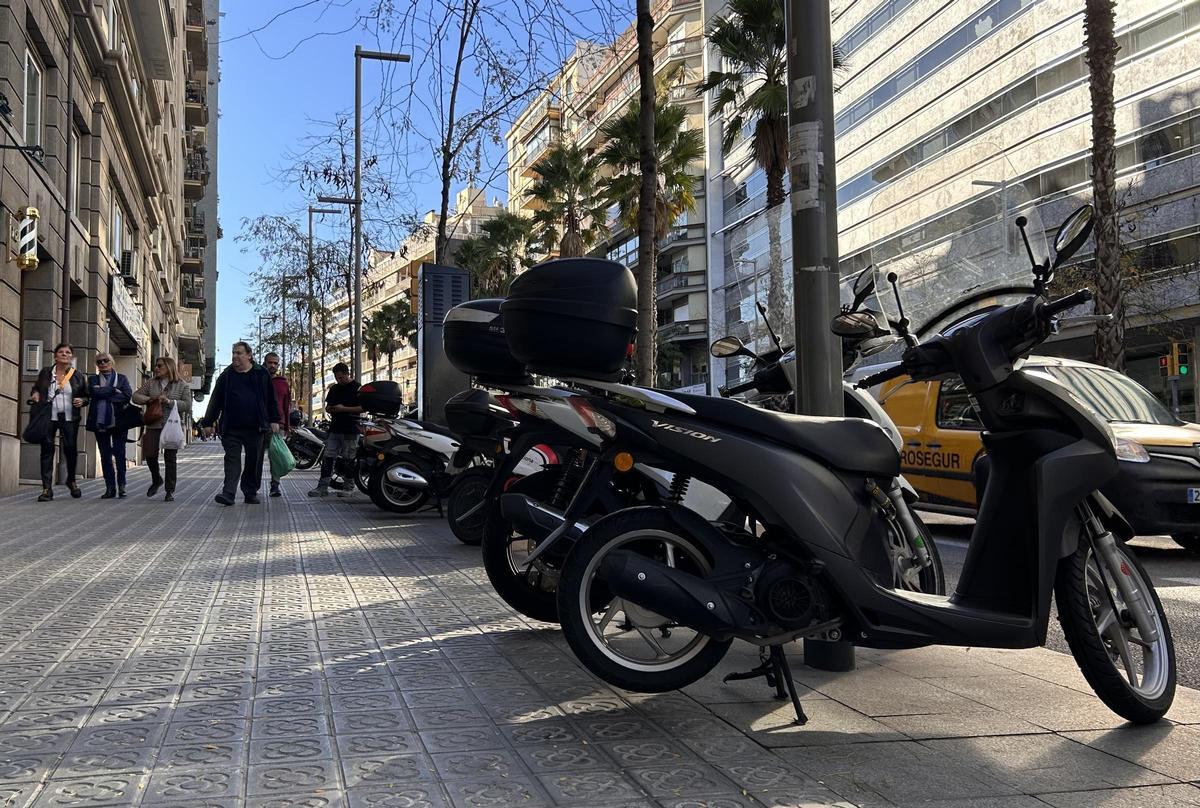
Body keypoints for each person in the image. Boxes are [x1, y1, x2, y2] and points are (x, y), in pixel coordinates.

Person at [200, 342, 281, 505]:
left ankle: (250, 492)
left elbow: (270, 399)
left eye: (239, 353)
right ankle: (228, 493)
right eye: (233, 353)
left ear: (249, 355)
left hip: (256, 427)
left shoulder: (261, 373)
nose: (235, 356)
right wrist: (208, 422)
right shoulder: (227, 374)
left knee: (254, 460)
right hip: (231, 428)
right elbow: (216, 399)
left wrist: (274, 419)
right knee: (232, 460)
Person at [29, 343, 89, 501]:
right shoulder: (46, 373)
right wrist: (35, 394)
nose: (64, 354)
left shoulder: (77, 376)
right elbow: (36, 388)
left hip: (69, 417)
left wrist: (81, 401)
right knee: (47, 449)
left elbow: (86, 396)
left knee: (70, 449)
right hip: (49, 416)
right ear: (55, 356)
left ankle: (71, 480)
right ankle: (47, 488)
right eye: (61, 352)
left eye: (68, 352)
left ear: (71, 357)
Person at [133, 357, 193, 502]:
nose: (156, 368)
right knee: (150, 454)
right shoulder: (152, 383)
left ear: (169, 367)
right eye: (156, 366)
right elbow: (135, 396)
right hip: (154, 424)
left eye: (159, 366)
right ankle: (156, 479)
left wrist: (170, 402)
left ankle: (169, 490)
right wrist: (149, 399)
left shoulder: (182, 385)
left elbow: (187, 405)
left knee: (170, 459)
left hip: (171, 425)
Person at [308, 362, 362, 497]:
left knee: (349, 458)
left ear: (347, 374)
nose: (339, 380)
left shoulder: (357, 388)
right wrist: (333, 409)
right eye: (337, 378)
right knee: (328, 456)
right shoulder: (334, 389)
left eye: (341, 378)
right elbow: (328, 407)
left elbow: (362, 408)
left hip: (351, 428)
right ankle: (322, 486)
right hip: (335, 428)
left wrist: (343, 409)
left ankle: (349, 487)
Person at [86, 352, 133, 499]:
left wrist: (102, 391)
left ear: (111, 362)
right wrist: (113, 390)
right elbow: (93, 394)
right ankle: (110, 488)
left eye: (105, 361)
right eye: (99, 362)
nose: (103, 363)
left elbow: (126, 395)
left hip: (119, 421)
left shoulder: (122, 378)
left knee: (120, 453)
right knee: (105, 456)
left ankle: (122, 486)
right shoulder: (92, 379)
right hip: (100, 422)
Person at [262, 352, 292, 498]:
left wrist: (287, 425)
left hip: (277, 426)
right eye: (270, 362)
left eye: (275, 363)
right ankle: (253, 485)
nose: (272, 365)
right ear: (265, 363)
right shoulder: (259, 379)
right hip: (259, 424)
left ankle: (275, 485)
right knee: (255, 456)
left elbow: (287, 406)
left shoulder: (282, 383)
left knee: (276, 456)